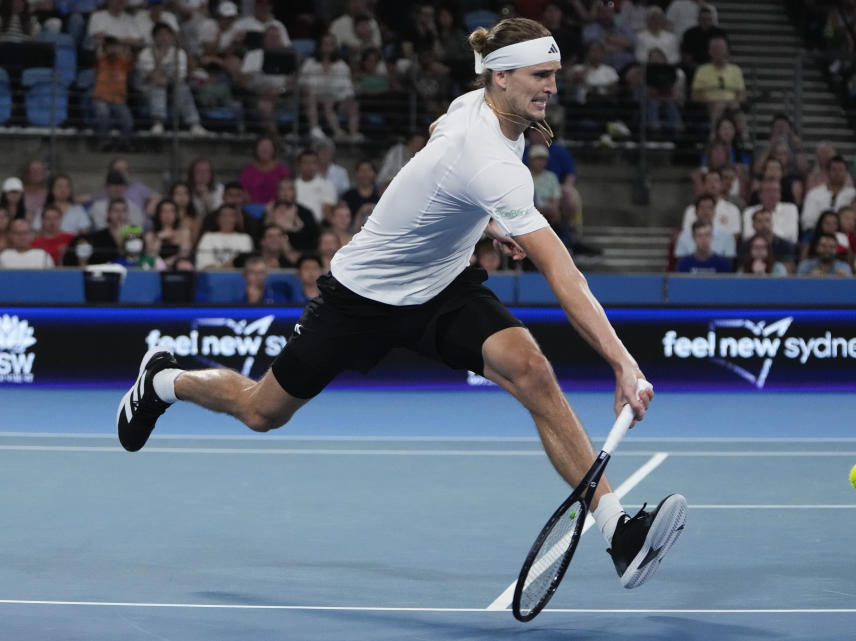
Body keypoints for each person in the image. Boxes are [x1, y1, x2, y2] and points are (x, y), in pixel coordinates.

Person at [116, 17, 685, 591]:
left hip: (441, 286)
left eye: (555, 75)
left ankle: (619, 534)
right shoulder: (490, 157)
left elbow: (441, 143)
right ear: (502, 75)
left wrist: (485, 223)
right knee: (262, 411)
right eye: (542, 75)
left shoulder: (473, 107)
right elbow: (562, 270)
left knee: (533, 371)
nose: (553, 88)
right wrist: (622, 361)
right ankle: (164, 380)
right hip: (360, 298)